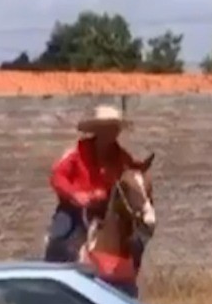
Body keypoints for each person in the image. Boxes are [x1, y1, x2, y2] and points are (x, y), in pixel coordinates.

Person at [42, 104, 139, 264]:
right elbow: (58, 177)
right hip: (74, 210)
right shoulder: (76, 152)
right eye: (107, 128)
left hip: (107, 211)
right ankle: (54, 268)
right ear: (97, 130)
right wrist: (75, 194)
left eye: (114, 128)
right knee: (59, 236)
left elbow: (131, 180)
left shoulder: (123, 158)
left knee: (133, 239)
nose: (112, 133)